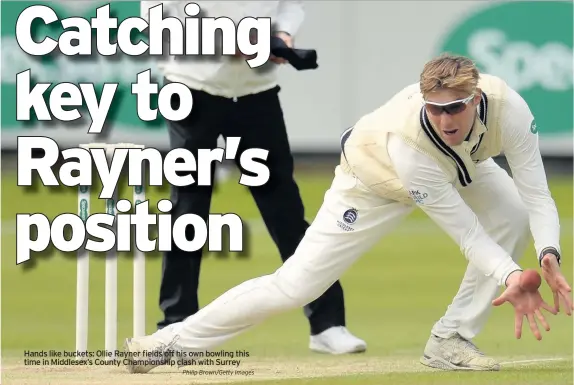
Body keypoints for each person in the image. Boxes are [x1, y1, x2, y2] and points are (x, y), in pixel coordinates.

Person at [124, 53, 573, 373]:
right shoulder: (411, 143)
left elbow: (536, 191)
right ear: (424, 103)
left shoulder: (510, 109)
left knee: (513, 211)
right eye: (435, 109)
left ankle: (450, 338)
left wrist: (549, 253)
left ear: (476, 99)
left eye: (455, 107)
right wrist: (512, 276)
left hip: (462, 165)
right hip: (372, 180)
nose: (446, 118)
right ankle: (167, 343)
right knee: (294, 286)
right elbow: (469, 235)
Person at [140, 1, 366, 355]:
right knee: (188, 209)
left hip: (255, 92)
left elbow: (289, 7)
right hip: (190, 87)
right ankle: (175, 326)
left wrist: (281, 36)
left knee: (285, 209)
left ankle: (326, 324)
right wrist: (231, 44)